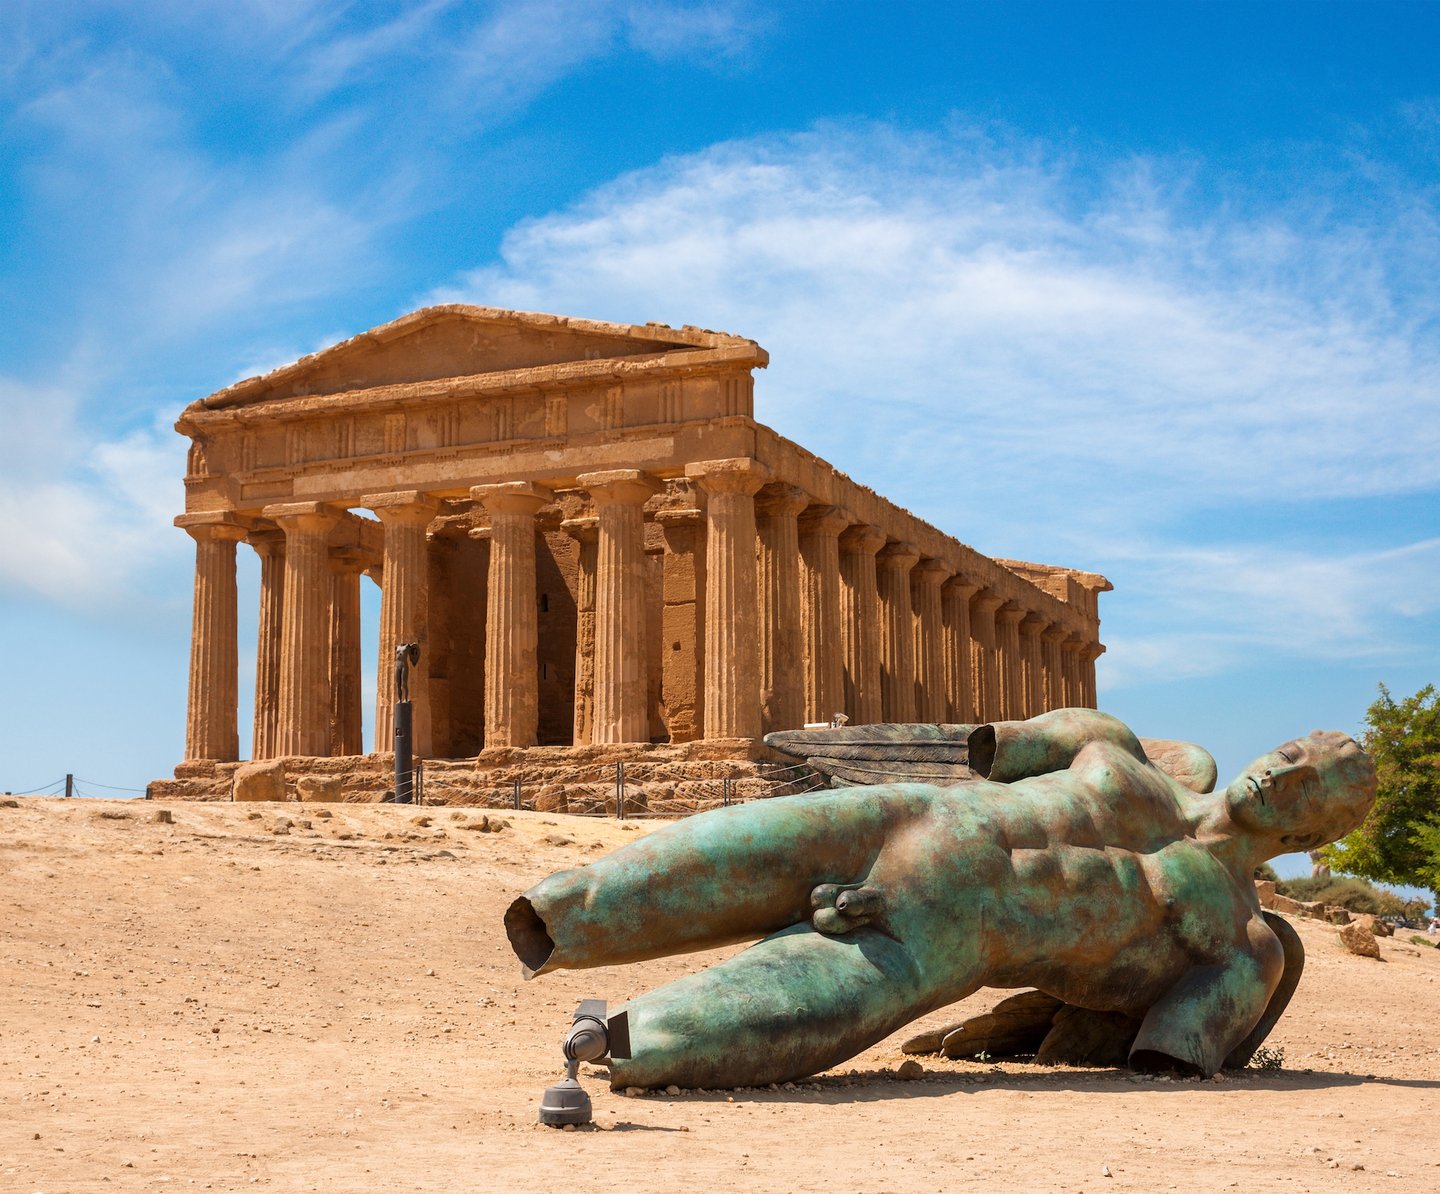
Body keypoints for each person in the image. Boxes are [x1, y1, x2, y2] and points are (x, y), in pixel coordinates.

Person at [505, 710, 1375, 1089]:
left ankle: (611, 1043)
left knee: (673, 1040)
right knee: (615, 888)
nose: (1286, 773)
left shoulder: (1242, 945)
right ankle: (556, 922)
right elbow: (990, 750)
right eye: (1294, 753)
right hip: (899, 819)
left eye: (1311, 789)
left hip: (944, 943)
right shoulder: (1122, 748)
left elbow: (1163, 1052)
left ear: (1317, 838)